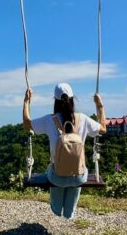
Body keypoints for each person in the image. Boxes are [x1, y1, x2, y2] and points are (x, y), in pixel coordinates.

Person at [22, 83, 106, 219]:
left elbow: (27, 124)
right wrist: (99, 106)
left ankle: (56, 209)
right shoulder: (83, 119)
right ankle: (69, 212)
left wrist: (26, 101)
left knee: (54, 171)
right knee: (77, 173)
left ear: (55, 101)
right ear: (72, 99)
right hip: (79, 176)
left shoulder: (49, 120)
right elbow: (103, 128)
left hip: (57, 177)